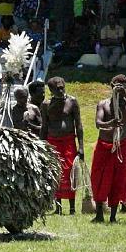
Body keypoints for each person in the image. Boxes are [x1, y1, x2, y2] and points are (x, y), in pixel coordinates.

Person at [91, 74, 126, 223]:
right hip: (104, 146)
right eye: (116, 85)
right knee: (99, 179)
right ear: (111, 86)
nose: (118, 88)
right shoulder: (103, 104)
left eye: (122, 86)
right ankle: (99, 213)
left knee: (118, 179)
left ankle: (113, 216)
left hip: (121, 146)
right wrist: (111, 122)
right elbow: (98, 123)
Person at [41, 77, 85, 215]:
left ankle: (72, 208)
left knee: (70, 172)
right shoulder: (46, 104)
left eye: (62, 87)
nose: (61, 90)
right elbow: (44, 126)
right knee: (55, 172)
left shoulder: (72, 101)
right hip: (52, 141)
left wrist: (81, 146)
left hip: (68, 141)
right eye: (57, 88)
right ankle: (58, 207)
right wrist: (41, 145)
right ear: (51, 90)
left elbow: (78, 124)